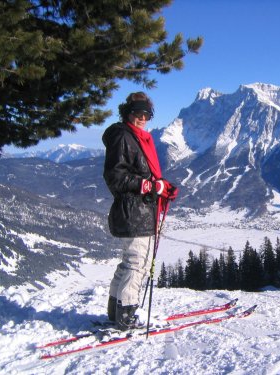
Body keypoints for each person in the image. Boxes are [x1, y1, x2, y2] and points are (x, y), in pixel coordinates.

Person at [102, 92, 178, 330]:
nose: (143, 117)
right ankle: (126, 315)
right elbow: (114, 176)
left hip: (139, 210)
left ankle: (116, 311)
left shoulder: (137, 138)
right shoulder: (124, 137)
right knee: (138, 264)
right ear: (128, 112)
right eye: (138, 113)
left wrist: (161, 185)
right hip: (135, 212)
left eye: (147, 114)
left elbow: (144, 174)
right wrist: (146, 185)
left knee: (129, 262)